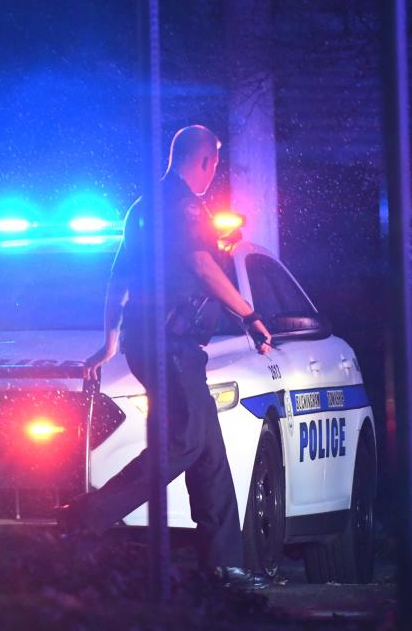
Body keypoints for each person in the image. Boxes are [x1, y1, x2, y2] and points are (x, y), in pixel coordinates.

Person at [60, 125, 273, 589]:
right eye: (215, 163)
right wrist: (248, 314)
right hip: (171, 345)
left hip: (155, 343)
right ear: (206, 161)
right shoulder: (185, 206)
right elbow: (200, 265)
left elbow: (119, 279)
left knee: (209, 454)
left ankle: (223, 565)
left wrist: (111, 343)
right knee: (183, 444)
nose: (214, 172)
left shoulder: (143, 207)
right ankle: (83, 518)